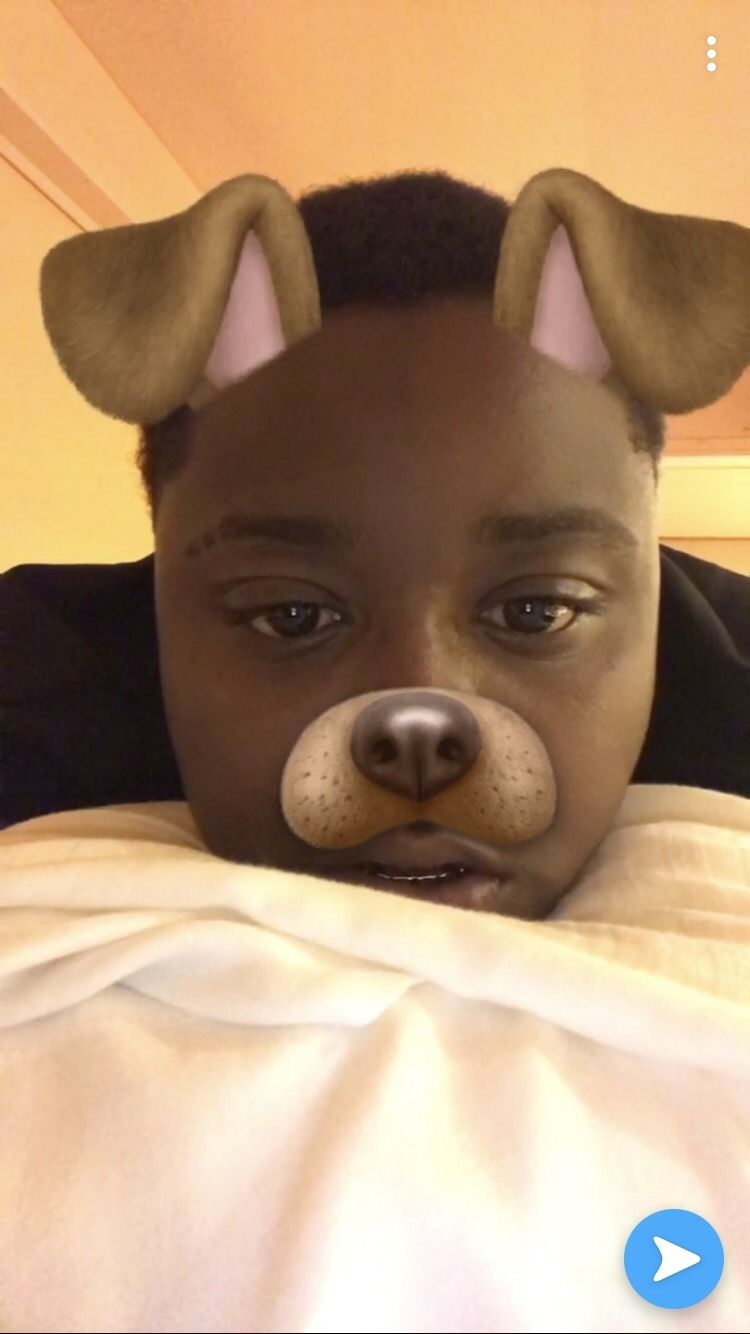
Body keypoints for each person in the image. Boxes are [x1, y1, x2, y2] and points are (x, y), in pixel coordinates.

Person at [2, 169, 749, 918]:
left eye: (535, 613)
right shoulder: (30, 680)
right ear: (161, 550)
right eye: (291, 617)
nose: (417, 712)